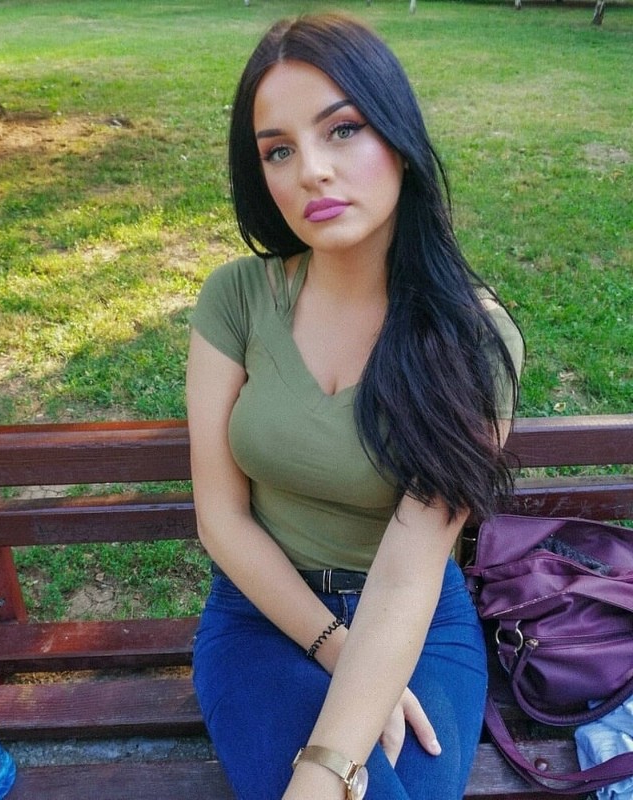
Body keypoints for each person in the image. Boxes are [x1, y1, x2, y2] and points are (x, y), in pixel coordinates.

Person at [187, 13, 524, 800]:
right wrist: (338, 652)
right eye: (278, 149)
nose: (311, 171)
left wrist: (337, 744)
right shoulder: (237, 298)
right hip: (261, 615)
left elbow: (409, 575)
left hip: (417, 621)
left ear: (398, 138)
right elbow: (220, 518)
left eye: (342, 130)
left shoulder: (474, 340)